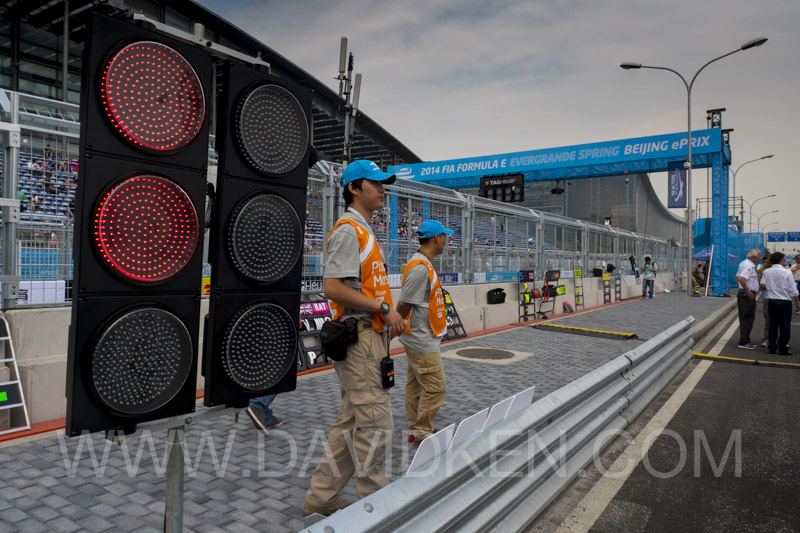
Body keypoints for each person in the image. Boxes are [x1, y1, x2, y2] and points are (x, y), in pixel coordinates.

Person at [303, 160, 404, 517]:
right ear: (353, 188)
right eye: (375, 183)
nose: (382, 189)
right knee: (375, 423)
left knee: (353, 421)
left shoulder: (362, 230)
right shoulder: (349, 230)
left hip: (367, 337)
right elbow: (333, 288)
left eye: (384, 183)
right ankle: (374, 511)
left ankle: (322, 498)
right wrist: (383, 307)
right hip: (360, 338)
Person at [397, 220, 453, 448]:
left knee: (416, 384)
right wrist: (394, 325)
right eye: (444, 236)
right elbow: (403, 305)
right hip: (421, 339)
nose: (446, 240)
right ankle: (421, 431)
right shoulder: (420, 268)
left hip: (420, 335)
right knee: (436, 386)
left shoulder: (424, 264)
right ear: (436, 238)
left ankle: (416, 428)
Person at [759, 252, 800, 355]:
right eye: (784, 259)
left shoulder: (766, 272)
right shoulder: (787, 272)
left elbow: (762, 285)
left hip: (772, 300)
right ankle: (782, 348)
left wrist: (772, 286)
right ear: (781, 260)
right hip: (785, 301)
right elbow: (793, 289)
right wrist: (798, 302)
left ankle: (772, 346)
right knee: (785, 325)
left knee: (772, 324)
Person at [734, 248, 763, 349]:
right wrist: (747, 291)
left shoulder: (743, 263)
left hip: (743, 294)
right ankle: (744, 341)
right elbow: (741, 278)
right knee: (748, 318)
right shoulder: (748, 265)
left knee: (744, 318)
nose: (761, 258)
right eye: (760, 256)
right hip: (747, 295)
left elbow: (737, 277)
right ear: (754, 257)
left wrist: (741, 289)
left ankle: (744, 339)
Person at [757, 255, 773, 348]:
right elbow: (762, 286)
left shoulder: (785, 271)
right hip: (770, 297)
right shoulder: (765, 272)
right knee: (769, 319)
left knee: (777, 321)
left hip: (778, 299)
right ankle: (767, 339)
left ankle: (776, 339)